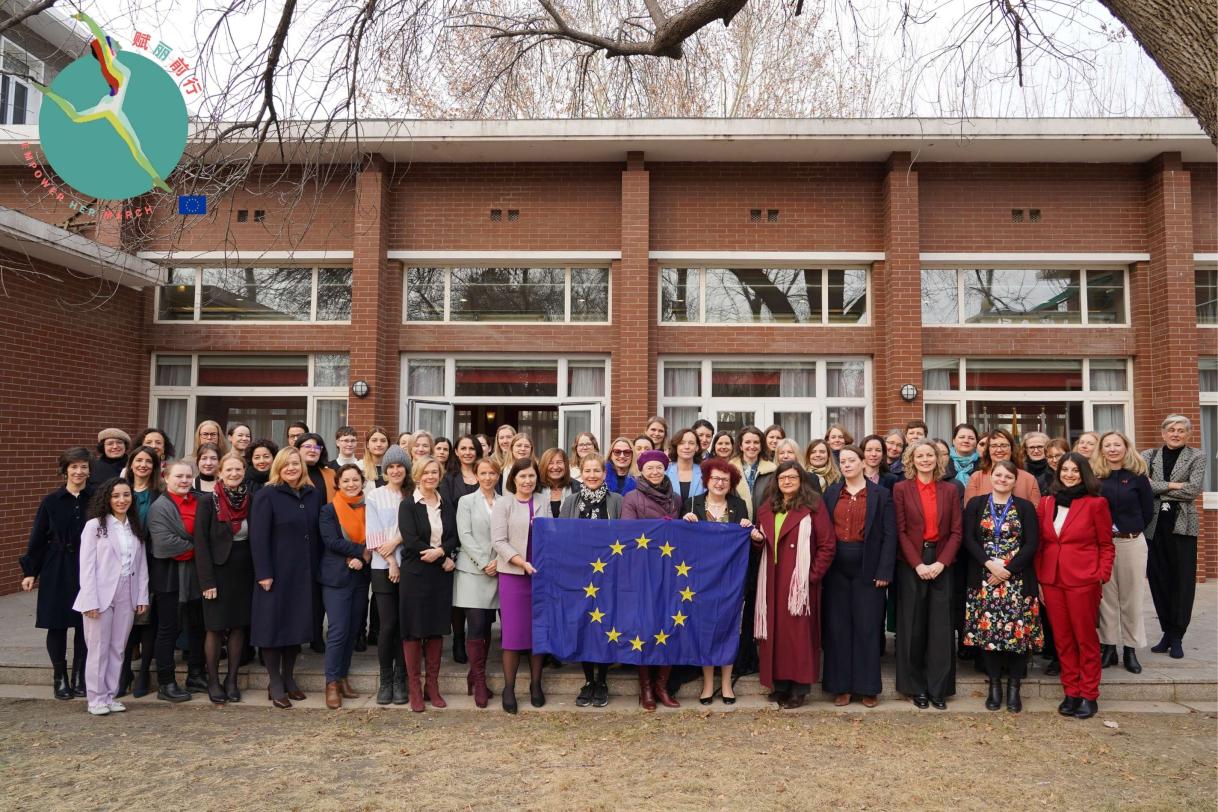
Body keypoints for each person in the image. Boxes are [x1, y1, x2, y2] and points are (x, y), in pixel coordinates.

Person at [750, 461, 835, 709]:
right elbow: (762, 543)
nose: (787, 482)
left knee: (797, 636)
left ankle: (799, 688)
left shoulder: (814, 506)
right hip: (772, 580)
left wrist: (811, 577)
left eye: (792, 478)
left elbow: (828, 545)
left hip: (800, 584)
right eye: (782, 478)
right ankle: (780, 685)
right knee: (775, 635)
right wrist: (756, 540)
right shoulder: (767, 508)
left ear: (801, 481)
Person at [1036, 452, 1114, 720]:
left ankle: (1089, 694)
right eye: (1064, 470)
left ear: (1084, 474)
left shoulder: (1096, 503)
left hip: (1083, 580)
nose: (1069, 474)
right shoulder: (1046, 503)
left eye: (1075, 470)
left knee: (1086, 638)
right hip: (1051, 580)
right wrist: (1039, 579)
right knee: (1063, 639)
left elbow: (1106, 544)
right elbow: (1041, 544)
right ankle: (1071, 692)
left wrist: (1101, 575)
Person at [961, 460, 1041, 713]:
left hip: (1016, 580)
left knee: (1018, 637)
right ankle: (994, 686)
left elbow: (1032, 543)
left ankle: (1014, 689)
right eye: (998, 475)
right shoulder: (976, 504)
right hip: (984, 579)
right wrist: (989, 565)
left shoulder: (1025, 507)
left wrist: (1007, 570)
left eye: (1008, 476)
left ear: (1015, 481)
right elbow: (968, 539)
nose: (1003, 479)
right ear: (991, 477)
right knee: (989, 636)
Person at [822, 446, 897, 708]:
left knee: (867, 628)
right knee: (838, 628)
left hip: (869, 569)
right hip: (835, 569)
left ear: (864, 463)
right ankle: (840, 687)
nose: (847, 465)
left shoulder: (881, 494)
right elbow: (822, 531)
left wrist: (884, 570)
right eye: (842, 461)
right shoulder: (831, 493)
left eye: (852, 460)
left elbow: (890, 535)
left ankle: (867, 687)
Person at [892, 441, 963, 710]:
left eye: (929, 455)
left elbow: (957, 531)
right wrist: (918, 564)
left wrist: (942, 562)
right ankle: (916, 687)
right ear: (911, 460)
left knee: (941, 628)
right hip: (912, 562)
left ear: (937, 459)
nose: (925, 459)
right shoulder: (901, 489)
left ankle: (939, 688)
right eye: (919, 455)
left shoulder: (950, 490)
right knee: (913, 626)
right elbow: (899, 531)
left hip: (942, 561)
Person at [251, 447, 321, 708]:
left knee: (296, 626)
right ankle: (275, 681)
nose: (292, 468)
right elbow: (258, 538)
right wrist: (264, 573)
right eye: (287, 464)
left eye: (296, 463)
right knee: (273, 627)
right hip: (276, 572)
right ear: (278, 467)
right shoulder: (266, 495)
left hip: (303, 572)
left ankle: (289, 678)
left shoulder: (312, 494)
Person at [22, 448, 93, 700]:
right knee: (58, 624)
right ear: (65, 470)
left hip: (86, 568)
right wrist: (31, 571)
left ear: (89, 470)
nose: (78, 471)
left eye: (83, 466)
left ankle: (79, 675)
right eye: (73, 467)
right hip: (56, 566)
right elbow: (38, 537)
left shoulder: (95, 499)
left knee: (85, 623)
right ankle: (60, 677)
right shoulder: (50, 501)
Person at [74, 478, 149, 715]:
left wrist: (142, 596)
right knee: (98, 648)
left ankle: (110, 695)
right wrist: (90, 600)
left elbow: (142, 564)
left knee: (118, 647)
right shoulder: (95, 526)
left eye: (126, 495)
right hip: (100, 594)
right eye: (116, 495)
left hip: (127, 591)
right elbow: (86, 567)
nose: (121, 500)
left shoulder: (134, 526)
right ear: (107, 498)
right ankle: (95, 699)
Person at [682, 456, 751, 705]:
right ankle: (708, 684)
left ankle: (726, 683)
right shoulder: (691, 504)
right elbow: (683, 543)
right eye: (716, 479)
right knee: (704, 629)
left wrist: (746, 526)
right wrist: (685, 523)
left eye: (725, 479)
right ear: (706, 480)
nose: (720, 483)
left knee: (729, 627)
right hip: (700, 579)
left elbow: (748, 537)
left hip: (730, 579)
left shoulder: (739, 505)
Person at [561, 454, 625, 708]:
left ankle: (603, 680)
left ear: (604, 473)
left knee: (604, 625)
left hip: (609, 574)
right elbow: (562, 537)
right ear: (581, 474)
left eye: (596, 471)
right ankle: (588, 681)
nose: (592, 475)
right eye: (587, 471)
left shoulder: (617, 501)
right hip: (580, 574)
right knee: (584, 625)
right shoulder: (570, 502)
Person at [620, 449, 683, 709]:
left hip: (670, 571)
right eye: (649, 468)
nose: (655, 472)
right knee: (645, 628)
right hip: (643, 571)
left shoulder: (676, 499)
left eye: (659, 467)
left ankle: (662, 685)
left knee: (669, 625)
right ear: (642, 471)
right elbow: (628, 533)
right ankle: (645, 688)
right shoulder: (632, 498)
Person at [1142, 415, 1207, 660]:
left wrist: (1160, 486)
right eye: (1171, 430)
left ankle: (1177, 634)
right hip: (1154, 526)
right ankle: (1166, 632)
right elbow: (1144, 485)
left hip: (1182, 525)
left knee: (1182, 580)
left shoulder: (1197, 456)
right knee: (1159, 580)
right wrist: (1174, 486)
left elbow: (1193, 489)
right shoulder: (1148, 455)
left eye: (1181, 430)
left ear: (1188, 434)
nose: (1176, 434)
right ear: (1163, 433)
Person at [193, 452, 255, 704]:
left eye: (238, 470)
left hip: (244, 570)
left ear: (244, 472)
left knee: (239, 626)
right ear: (220, 472)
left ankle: (231, 678)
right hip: (217, 571)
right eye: (228, 470)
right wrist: (207, 581)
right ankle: (213, 680)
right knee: (215, 628)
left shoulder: (251, 499)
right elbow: (201, 543)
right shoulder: (209, 501)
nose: (233, 474)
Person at [398, 456, 458, 712]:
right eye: (426, 472)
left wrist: (443, 551)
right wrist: (438, 555)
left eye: (435, 472)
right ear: (417, 475)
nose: (431, 476)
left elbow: (454, 535)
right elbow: (410, 541)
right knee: (414, 629)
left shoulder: (446, 503)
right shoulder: (408, 505)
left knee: (435, 629)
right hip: (415, 575)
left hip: (440, 577)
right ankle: (414, 686)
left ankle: (431, 686)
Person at [1093, 431, 1153, 674]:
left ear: (1126, 447)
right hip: (1103, 545)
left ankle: (1130, 649)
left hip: (1131, 544)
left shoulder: (1138, 477)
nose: (1112, 449)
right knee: (1105, 599)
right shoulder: (1096, 478)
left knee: (1132, 598)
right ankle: (1108, 647)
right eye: (1107, 445)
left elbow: (1148, 512)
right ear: (1102, 450)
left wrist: (1130, 528)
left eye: (1117, 444)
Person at [146, 459, 206, 702]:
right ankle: (166, 682)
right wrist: (200, 547)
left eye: (188, 476)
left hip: (196, 576)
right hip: (168, 576)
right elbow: (165, 545)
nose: (184, 481)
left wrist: (198, 547)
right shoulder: (159, 507)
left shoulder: (200, 501)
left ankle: (195, 674)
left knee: (197, 626)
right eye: (179, 476)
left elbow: (212, 533)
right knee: (168, 629)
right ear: (166, 478)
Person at [491, 457, 547, 713]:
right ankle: (509, 687)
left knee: (538, 632)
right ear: (513, 478)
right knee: (513, 635)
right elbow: (499, 541)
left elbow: (553, 535)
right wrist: (521, 562)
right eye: (522, 476)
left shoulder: (544, 501)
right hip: (514, 575)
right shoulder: (503, 504)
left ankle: (536, 684)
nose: (527, 481)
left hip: (541, 575)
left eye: (532, 476)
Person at [318, 464, 372, 709]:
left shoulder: (369, 509)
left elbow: (374, 537)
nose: (351, 484)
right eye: (346, 480)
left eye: (355, 480)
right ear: (337, 483)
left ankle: (342, 677)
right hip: (336, 577)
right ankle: (330, 683)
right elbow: (331, 541)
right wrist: (359, 553)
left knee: (352, 630)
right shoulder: (328, 510)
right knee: (338, 630)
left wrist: (362, 557)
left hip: (361, 578)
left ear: (362, 482)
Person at [455, 457, 502, 709]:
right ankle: (480, 682)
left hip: (498, 569)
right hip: (473, 571)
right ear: (476, 475)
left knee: (486, 625)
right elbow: (465, 535)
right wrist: (485, 562)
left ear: (498, 475)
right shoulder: (466, 501)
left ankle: (474, 674)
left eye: (492, 473)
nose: (487, 478)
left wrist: (497, 562)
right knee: (474, 625)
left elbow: (507, 534)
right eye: (483, 473)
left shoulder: (506, 501)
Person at [365, 445, 411, 706]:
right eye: (390, 466)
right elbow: (374, 535)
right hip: (383, 568)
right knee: (388, 625)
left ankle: (400, 678)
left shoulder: (413, 495)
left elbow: (416, 528)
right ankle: (385, 680)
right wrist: (392, 561)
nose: (395, 471)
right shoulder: (375, 496)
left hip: (411, 568)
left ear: (406, 469)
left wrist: (397, 541)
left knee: (404, 625)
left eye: (399, 466)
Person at [117, 445, 161, 698]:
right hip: (123, 564)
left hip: (151, 562)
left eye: (148, 461)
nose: (143, 465)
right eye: (139, 460)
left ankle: (144, 671)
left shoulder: (159, 494)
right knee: (124, 619)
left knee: (147, 618)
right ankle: (124, 671)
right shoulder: (119, 492)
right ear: (131, 464)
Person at [297, 433, 334, 653]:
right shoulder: (291, 472)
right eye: (307, 446)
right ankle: (298, 633)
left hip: (325, 539)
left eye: (317, 446)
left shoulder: (329, 474)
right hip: (300, 539)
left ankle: (316, 635)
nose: (312, 450)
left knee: (320, 589)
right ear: (297, 449)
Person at [964, 429, 1042, 504]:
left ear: (1012, 449)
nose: (999, 450)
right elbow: (970, 510)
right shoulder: (976, 478)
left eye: (1004, 445)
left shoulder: (1029, 480)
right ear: (988, 450)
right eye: (994, 446)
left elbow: (1034, 514)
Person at [733, 426, 775, 519]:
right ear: (740, 446)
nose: (752, 446)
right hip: (737, 524)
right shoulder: (729, 470)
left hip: (763, 523)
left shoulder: (772, 471)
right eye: (747, 442)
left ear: (761, 446)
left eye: (756, 442)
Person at [666, 428, 706, 505]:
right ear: (676, 446)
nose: (687, 447)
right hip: (670, 516)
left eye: (691, 443)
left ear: (697, 447)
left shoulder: (704, 473)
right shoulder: (665, 471)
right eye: (682, 443)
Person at [539, 447, 575, 518]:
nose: (555, 467)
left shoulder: (577, 488)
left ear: (566, 465)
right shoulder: (535, 488)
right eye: (550, 463)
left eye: (559, 462)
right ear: (544, 466)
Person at [945, 423, 980, 487]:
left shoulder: (984, 465)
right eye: (961, 437)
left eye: (971, 438)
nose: (966, 441)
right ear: (953, 441)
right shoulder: (944, 462)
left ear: (976, 442)